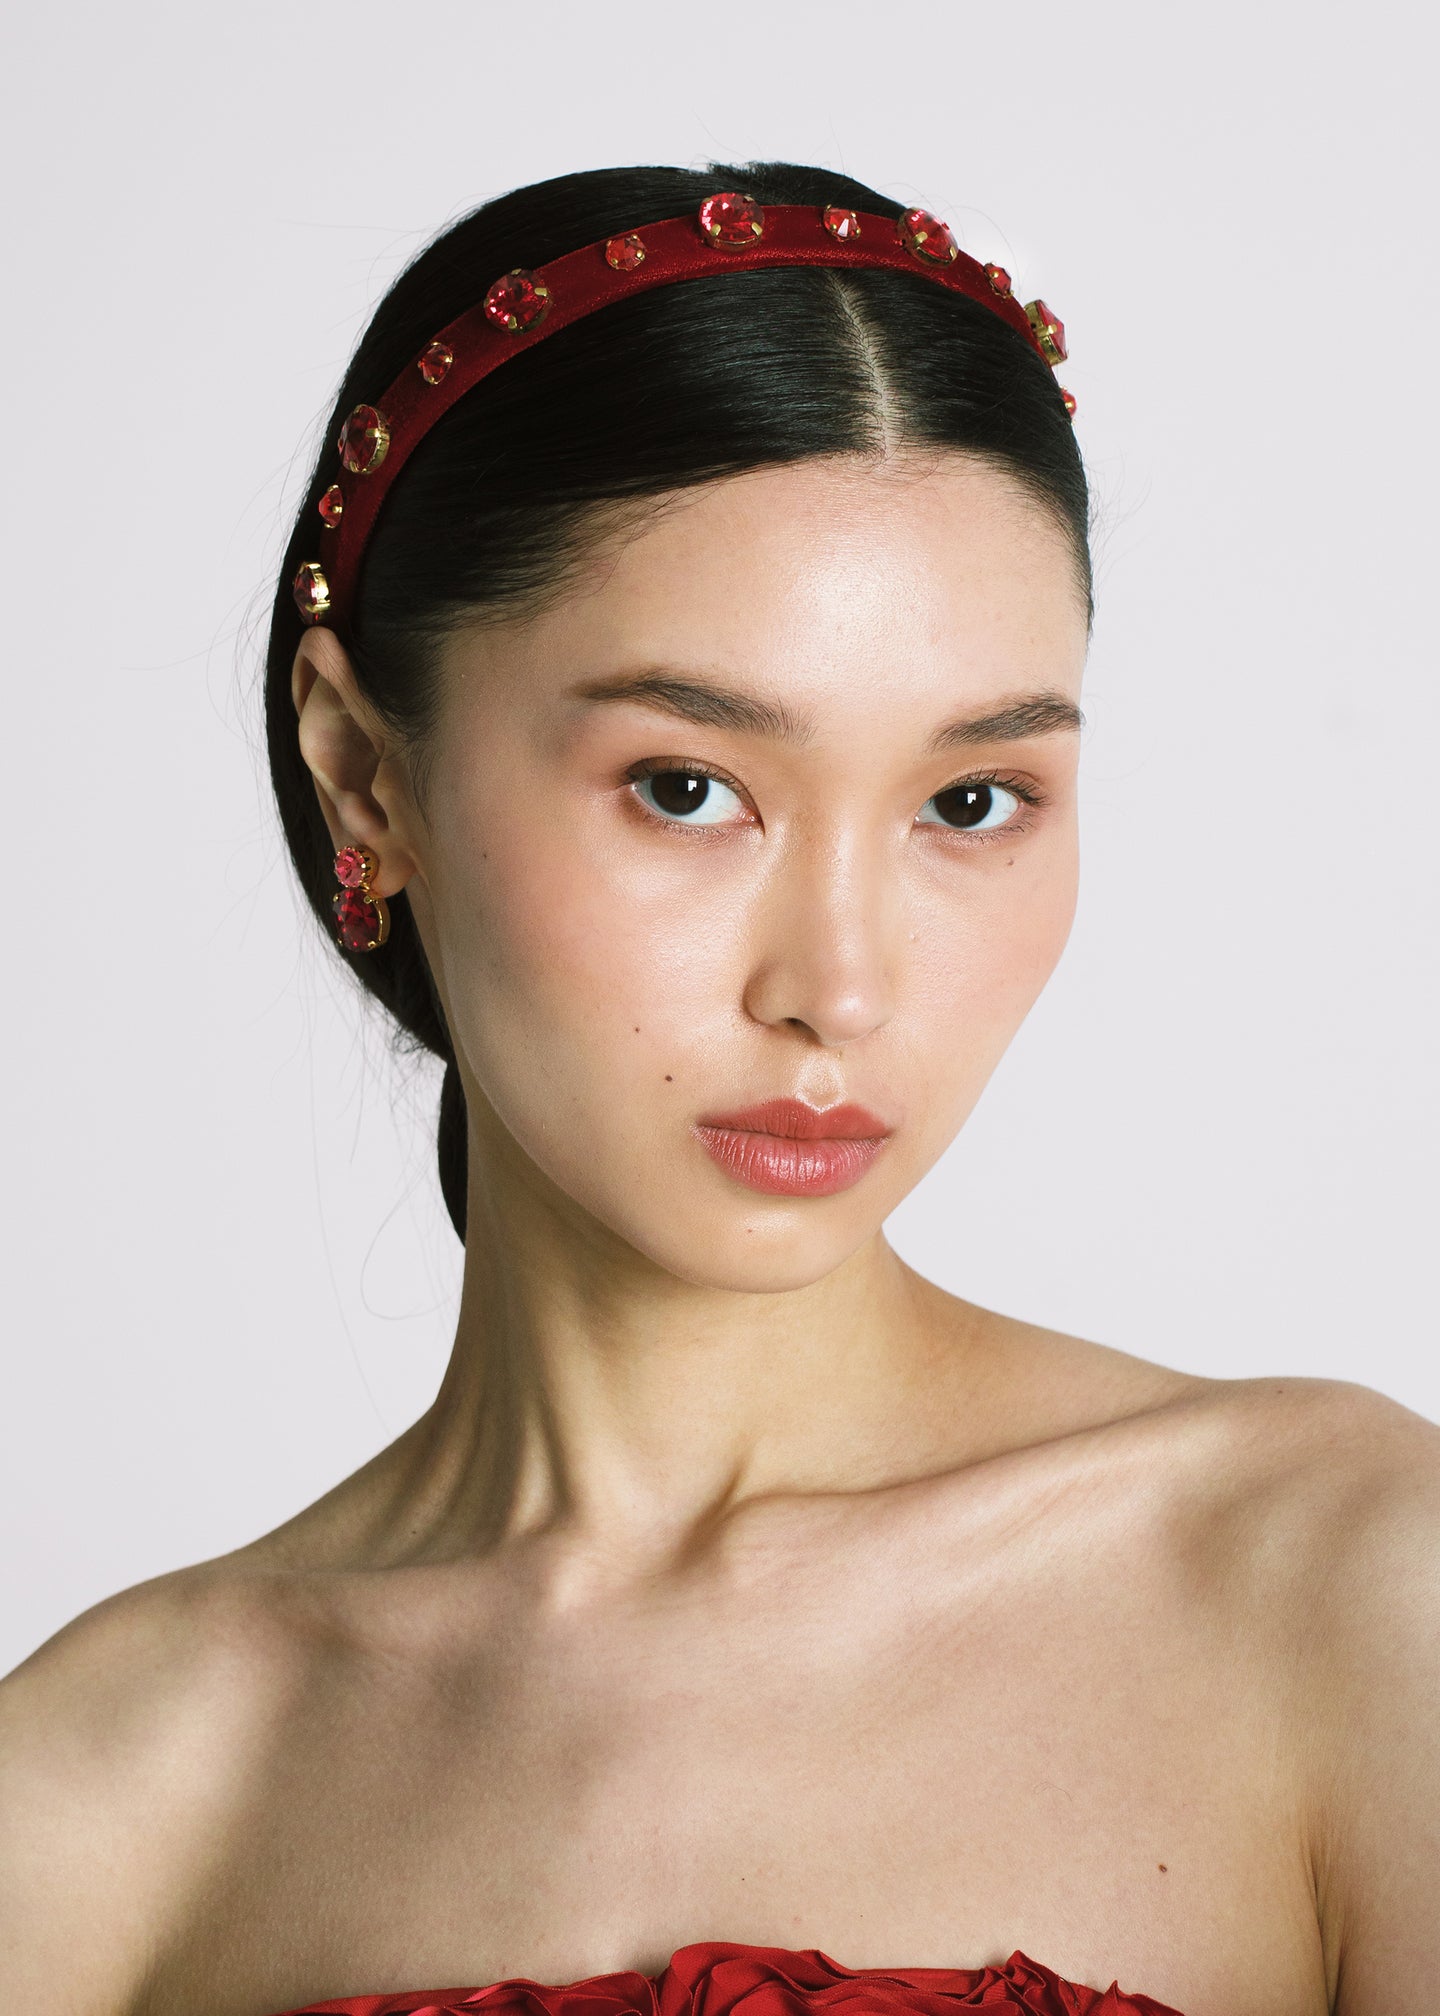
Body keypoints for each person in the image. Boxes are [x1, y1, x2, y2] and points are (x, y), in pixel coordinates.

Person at [0, 160, 1434, 2016]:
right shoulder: (101, 1803)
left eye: (970, 803)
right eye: (687, 789)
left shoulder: (1353, 1599)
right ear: (365, 772)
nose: (838, 986)